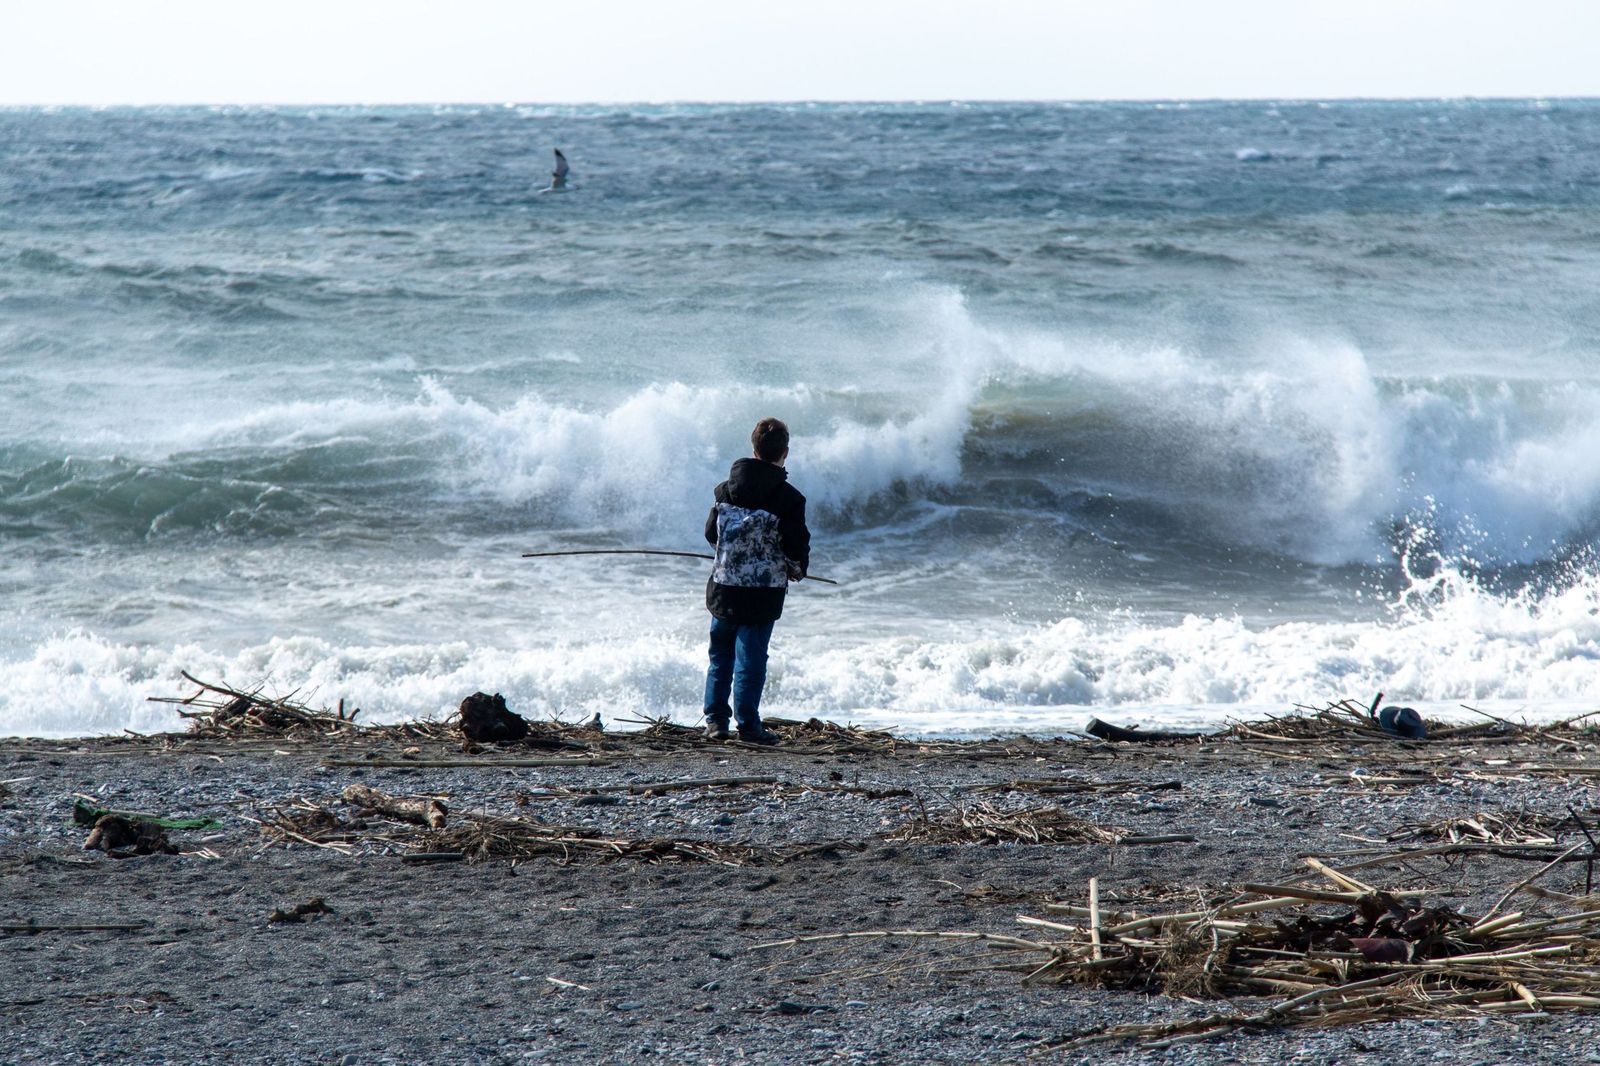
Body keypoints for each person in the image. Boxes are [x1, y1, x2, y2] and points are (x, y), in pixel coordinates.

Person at [702, 417, 810, 745]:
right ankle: (749, 726)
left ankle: (717, 722)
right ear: (785, 453)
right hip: (762, 595)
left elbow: (711, 534)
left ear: (753, 449)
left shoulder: (724, 491)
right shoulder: (790, 499)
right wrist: (797, 569)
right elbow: (795, 546)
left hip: (724, 588)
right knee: (751, 658)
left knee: (721, 653)